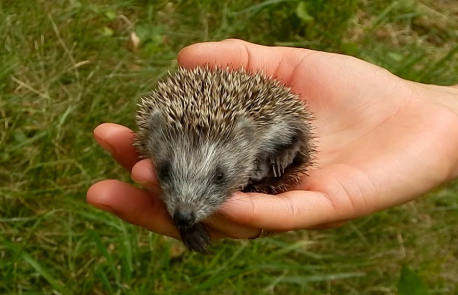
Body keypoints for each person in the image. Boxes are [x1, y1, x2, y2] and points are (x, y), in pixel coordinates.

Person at [86, 39, 458, 241]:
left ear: (248, 137)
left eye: (217, 177)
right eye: (166, 171)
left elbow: (296, 131)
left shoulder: (266, 124)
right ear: (155, 133)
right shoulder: (158, 127)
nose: (184, 204)